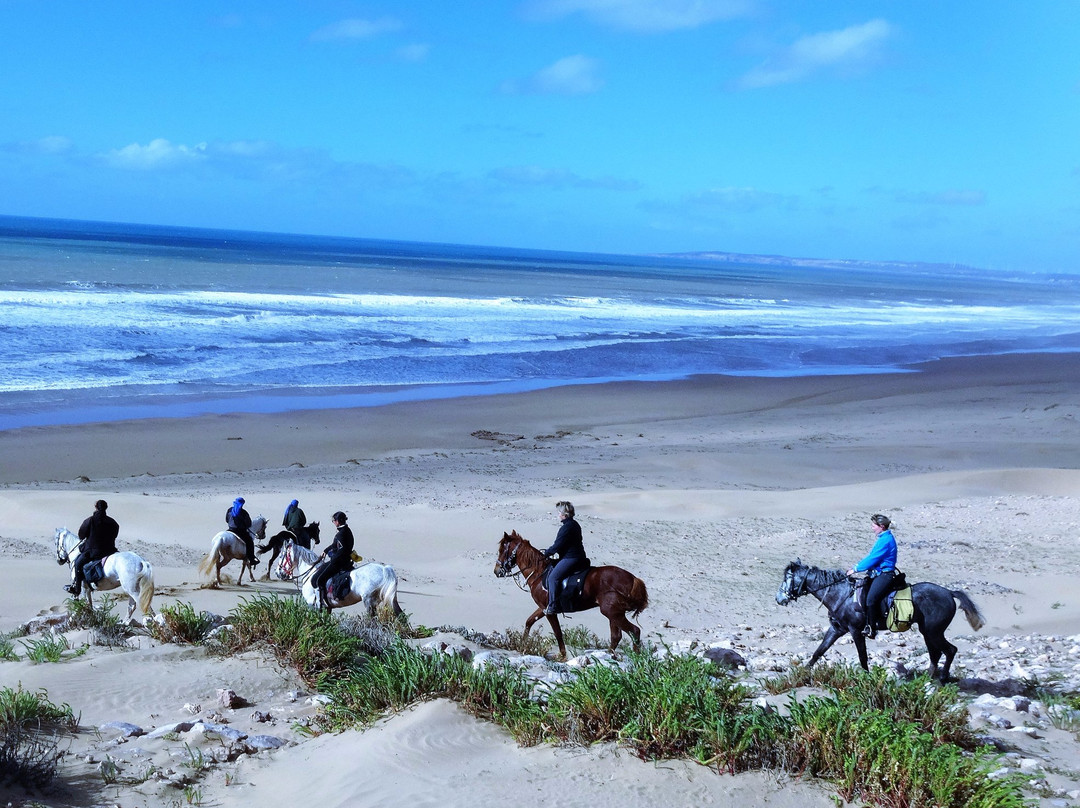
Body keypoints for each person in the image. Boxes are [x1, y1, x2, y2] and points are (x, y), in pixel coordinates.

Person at [847, 513, 898, 638]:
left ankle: (871, 627)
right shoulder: (883, 538)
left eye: (874, 525)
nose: (872, 527)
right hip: (877, 573)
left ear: (881, 526)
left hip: (885, 574)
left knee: (870, 599)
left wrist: (855, 569)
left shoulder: (885, 540)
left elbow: (873, 558)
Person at [542, 500, 590, 616]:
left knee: (553, 578)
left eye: (559, 512)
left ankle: (553, 606)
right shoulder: (574, 524)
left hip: (571, 557)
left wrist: (546, 553)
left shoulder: (566, 527)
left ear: (564, 514)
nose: (558, 515)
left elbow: (558, 545)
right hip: (578, 556)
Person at [65, 499, 120, 596]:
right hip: (110, 551)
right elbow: (115, 535)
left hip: (93, 552)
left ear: (96, 507)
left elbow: (81, 535)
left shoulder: (90, 520)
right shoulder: (113, 522)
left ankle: (77, 589)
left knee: (78, 564)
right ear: (106, 508)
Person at [310, 511, 354, 609]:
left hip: (338, 562)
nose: (333, 522)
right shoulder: (346, 530)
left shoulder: (341, 534)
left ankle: (321, 604)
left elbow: (341, 550)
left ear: (338, 521)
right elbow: (335, 545)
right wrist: (326, 550)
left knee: (319, 579)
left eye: (334, 520)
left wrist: (333, 558)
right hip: (343, 559)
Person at [226, 497, 257, 567]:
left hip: (230, 529)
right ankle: (252, 559)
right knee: (250, 541)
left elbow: (226, 520)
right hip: (240, 532)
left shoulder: (229, 510)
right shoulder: (243, 512)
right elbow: (249, 524)